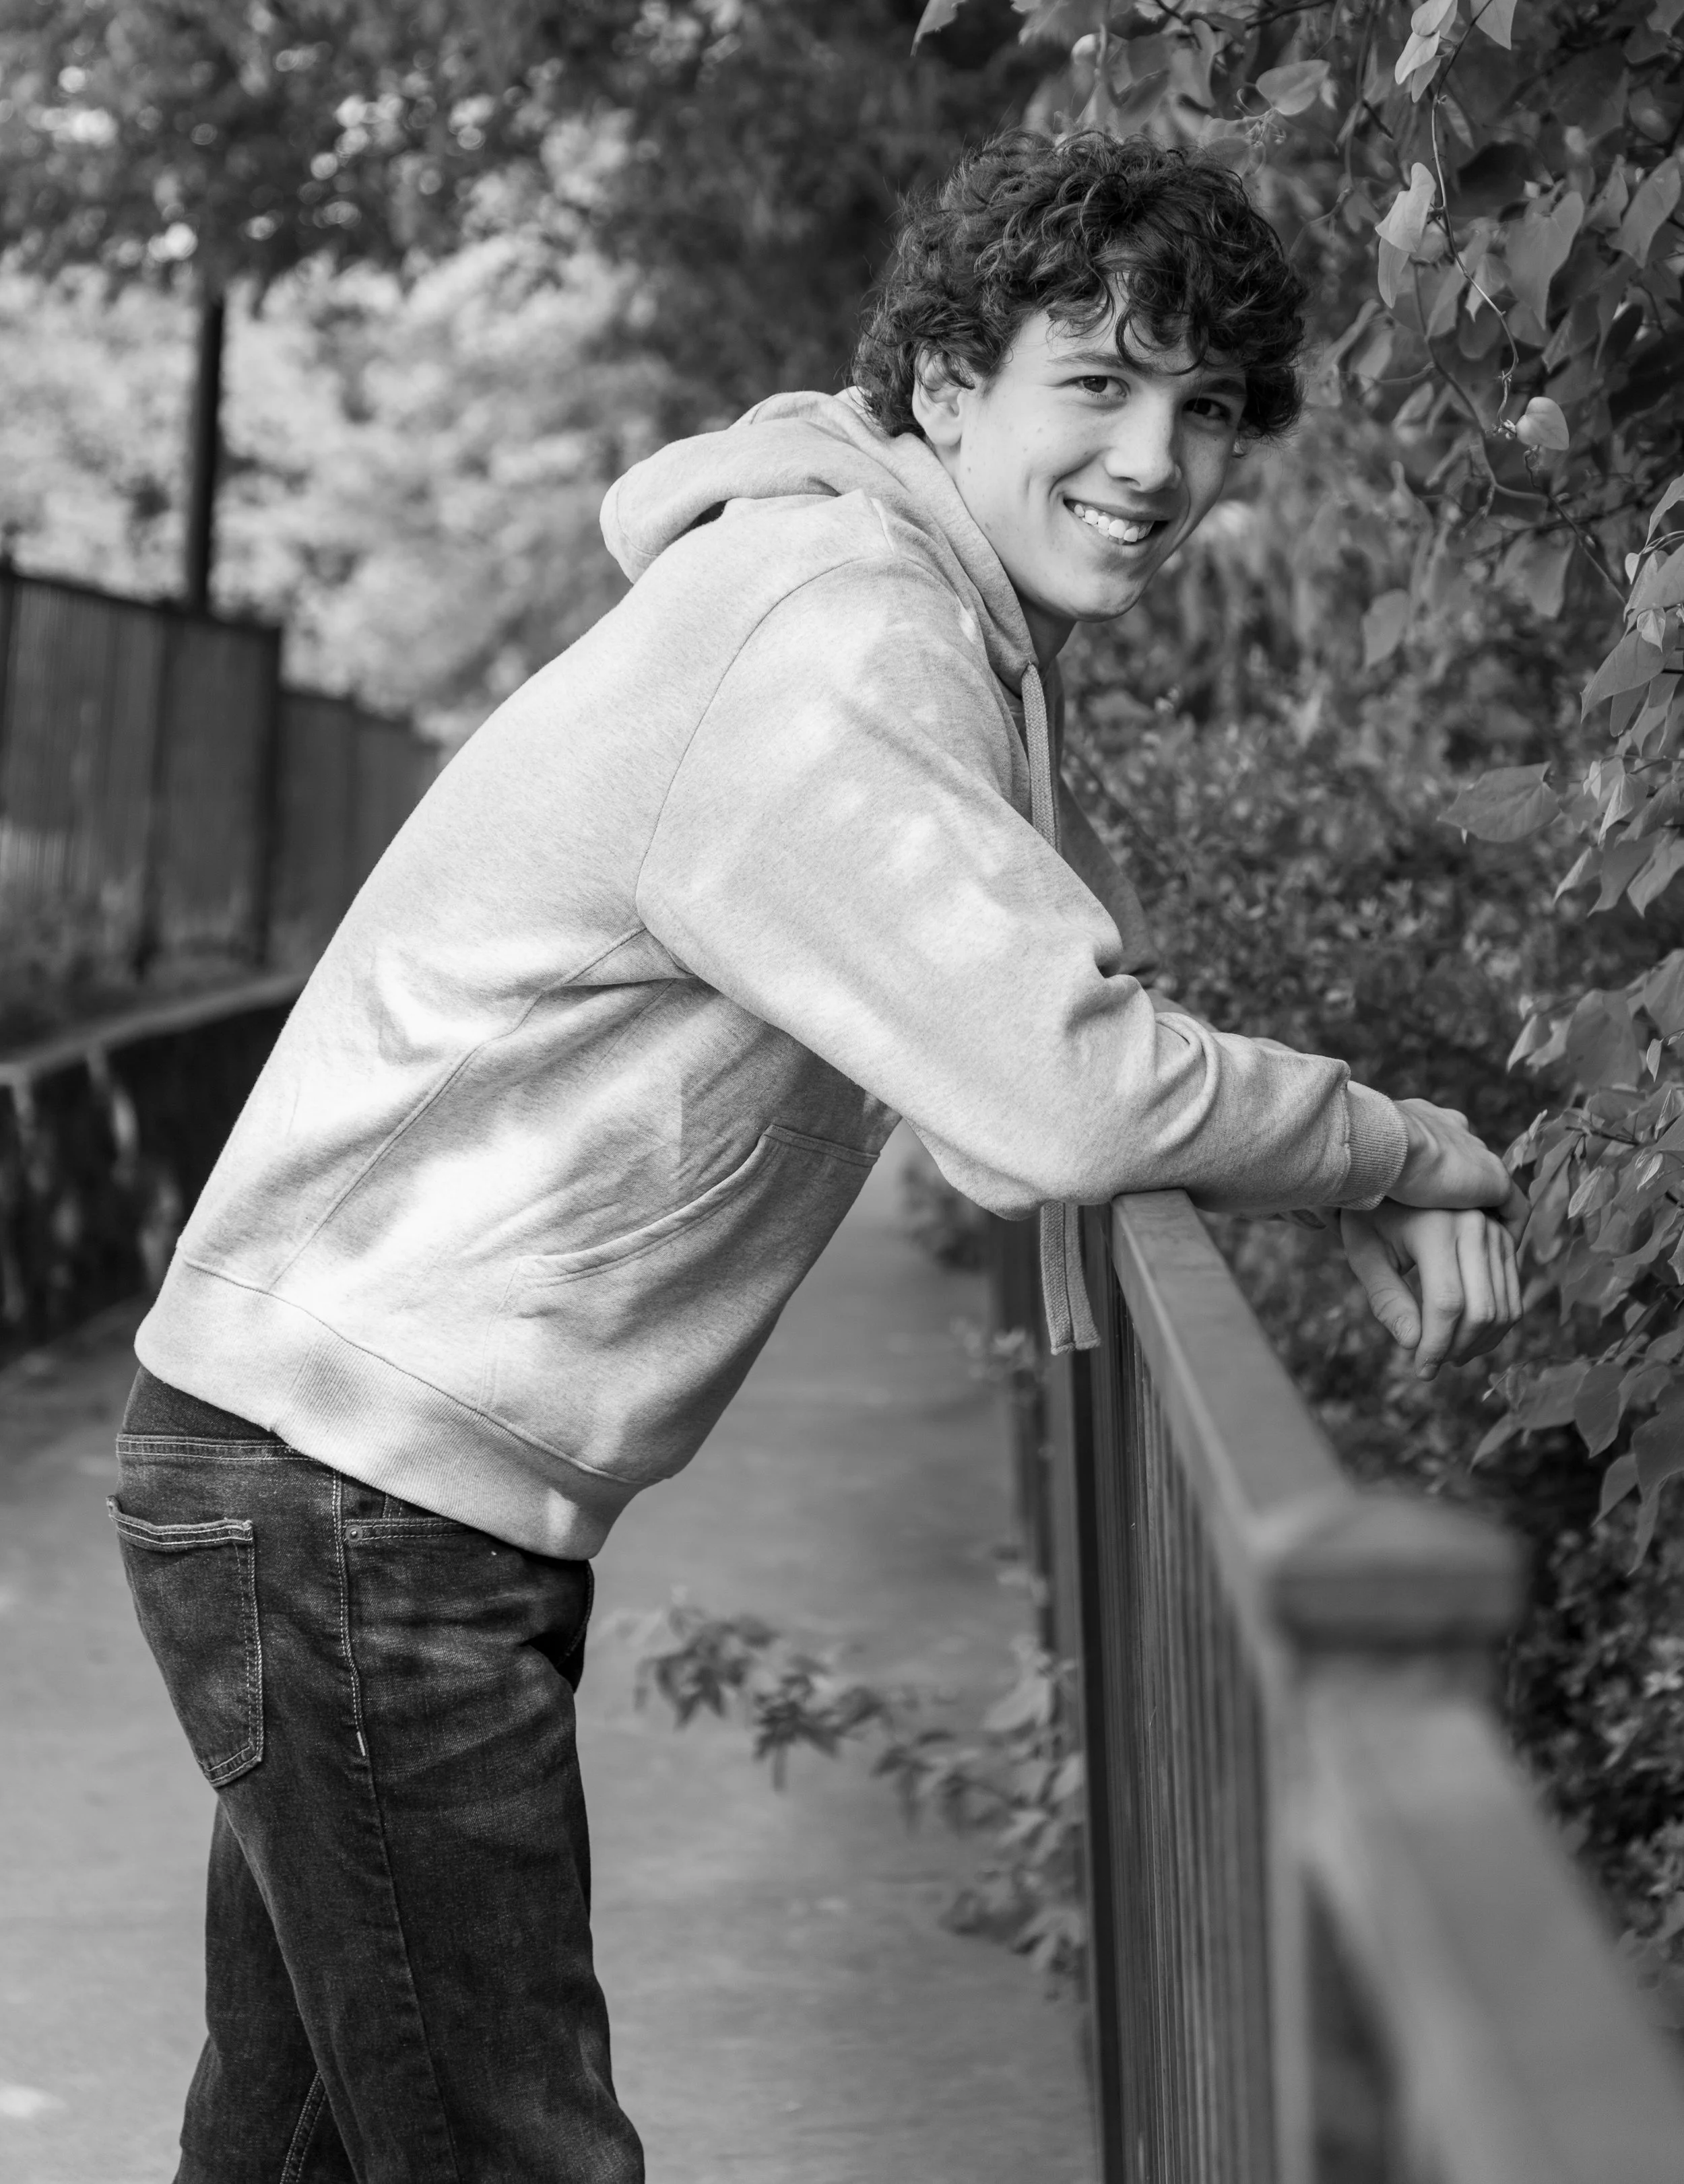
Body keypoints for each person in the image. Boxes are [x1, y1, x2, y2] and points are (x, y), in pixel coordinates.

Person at [111, 129, 1521, 2183]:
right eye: (1098, 382)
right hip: (353, 1494)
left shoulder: (894, 613)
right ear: (949, 384)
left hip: (346, 1474)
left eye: (1208, 408)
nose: (1156, 457)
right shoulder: (835, 627)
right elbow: (1064, 1085)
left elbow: (1044, 1003)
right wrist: (1395, 1144)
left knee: (309, 2146)